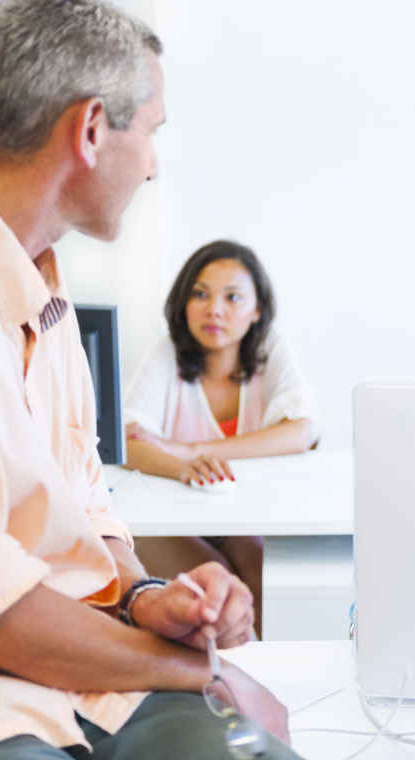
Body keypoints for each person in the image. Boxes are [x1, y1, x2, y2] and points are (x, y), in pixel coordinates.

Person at [0, 2, 297, 759]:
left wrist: (147, 597)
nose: (155, 162)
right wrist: (197, 671)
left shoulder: (47, 301)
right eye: (151, 131)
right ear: (92, 129)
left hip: (92, 677)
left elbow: (89, 518)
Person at [123, 240, 322, 639]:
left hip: (245, 520)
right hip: (172, 523)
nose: (215, 309)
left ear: (257, 310)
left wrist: (191, 450)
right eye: (200, 294)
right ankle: (231, 693)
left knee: (263, 586)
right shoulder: (164, 353)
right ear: (183, 303)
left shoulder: (269, 347)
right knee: (221, 597)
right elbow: (126, 442)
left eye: (233, 298)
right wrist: (181, 466)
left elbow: (302, 431)